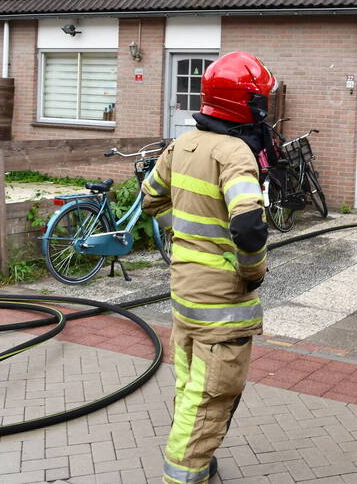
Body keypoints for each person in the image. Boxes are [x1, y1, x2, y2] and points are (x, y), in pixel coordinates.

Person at [141, 51, 277, 484]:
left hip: (184, 294)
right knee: (212, 398)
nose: (265, 111)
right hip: (222, 304)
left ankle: (192, 465)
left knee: (191, 386)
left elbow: (149, 199)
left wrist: (186, 234)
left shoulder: (182, 144)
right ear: (246, 105)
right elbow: (249, 226)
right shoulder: (235, 152)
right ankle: (185, 475)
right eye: (261, 102)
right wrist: (252, 271)